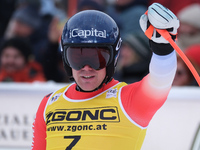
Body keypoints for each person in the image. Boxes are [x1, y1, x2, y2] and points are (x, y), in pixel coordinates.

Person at [32, 3, 179, 150]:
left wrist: (163, 48)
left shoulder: (129, 101)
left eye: (97, 59)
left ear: (113, 58)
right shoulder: (49, 103)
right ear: (65, 59)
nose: (87, 68)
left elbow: (160, 81)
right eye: (77, 58)